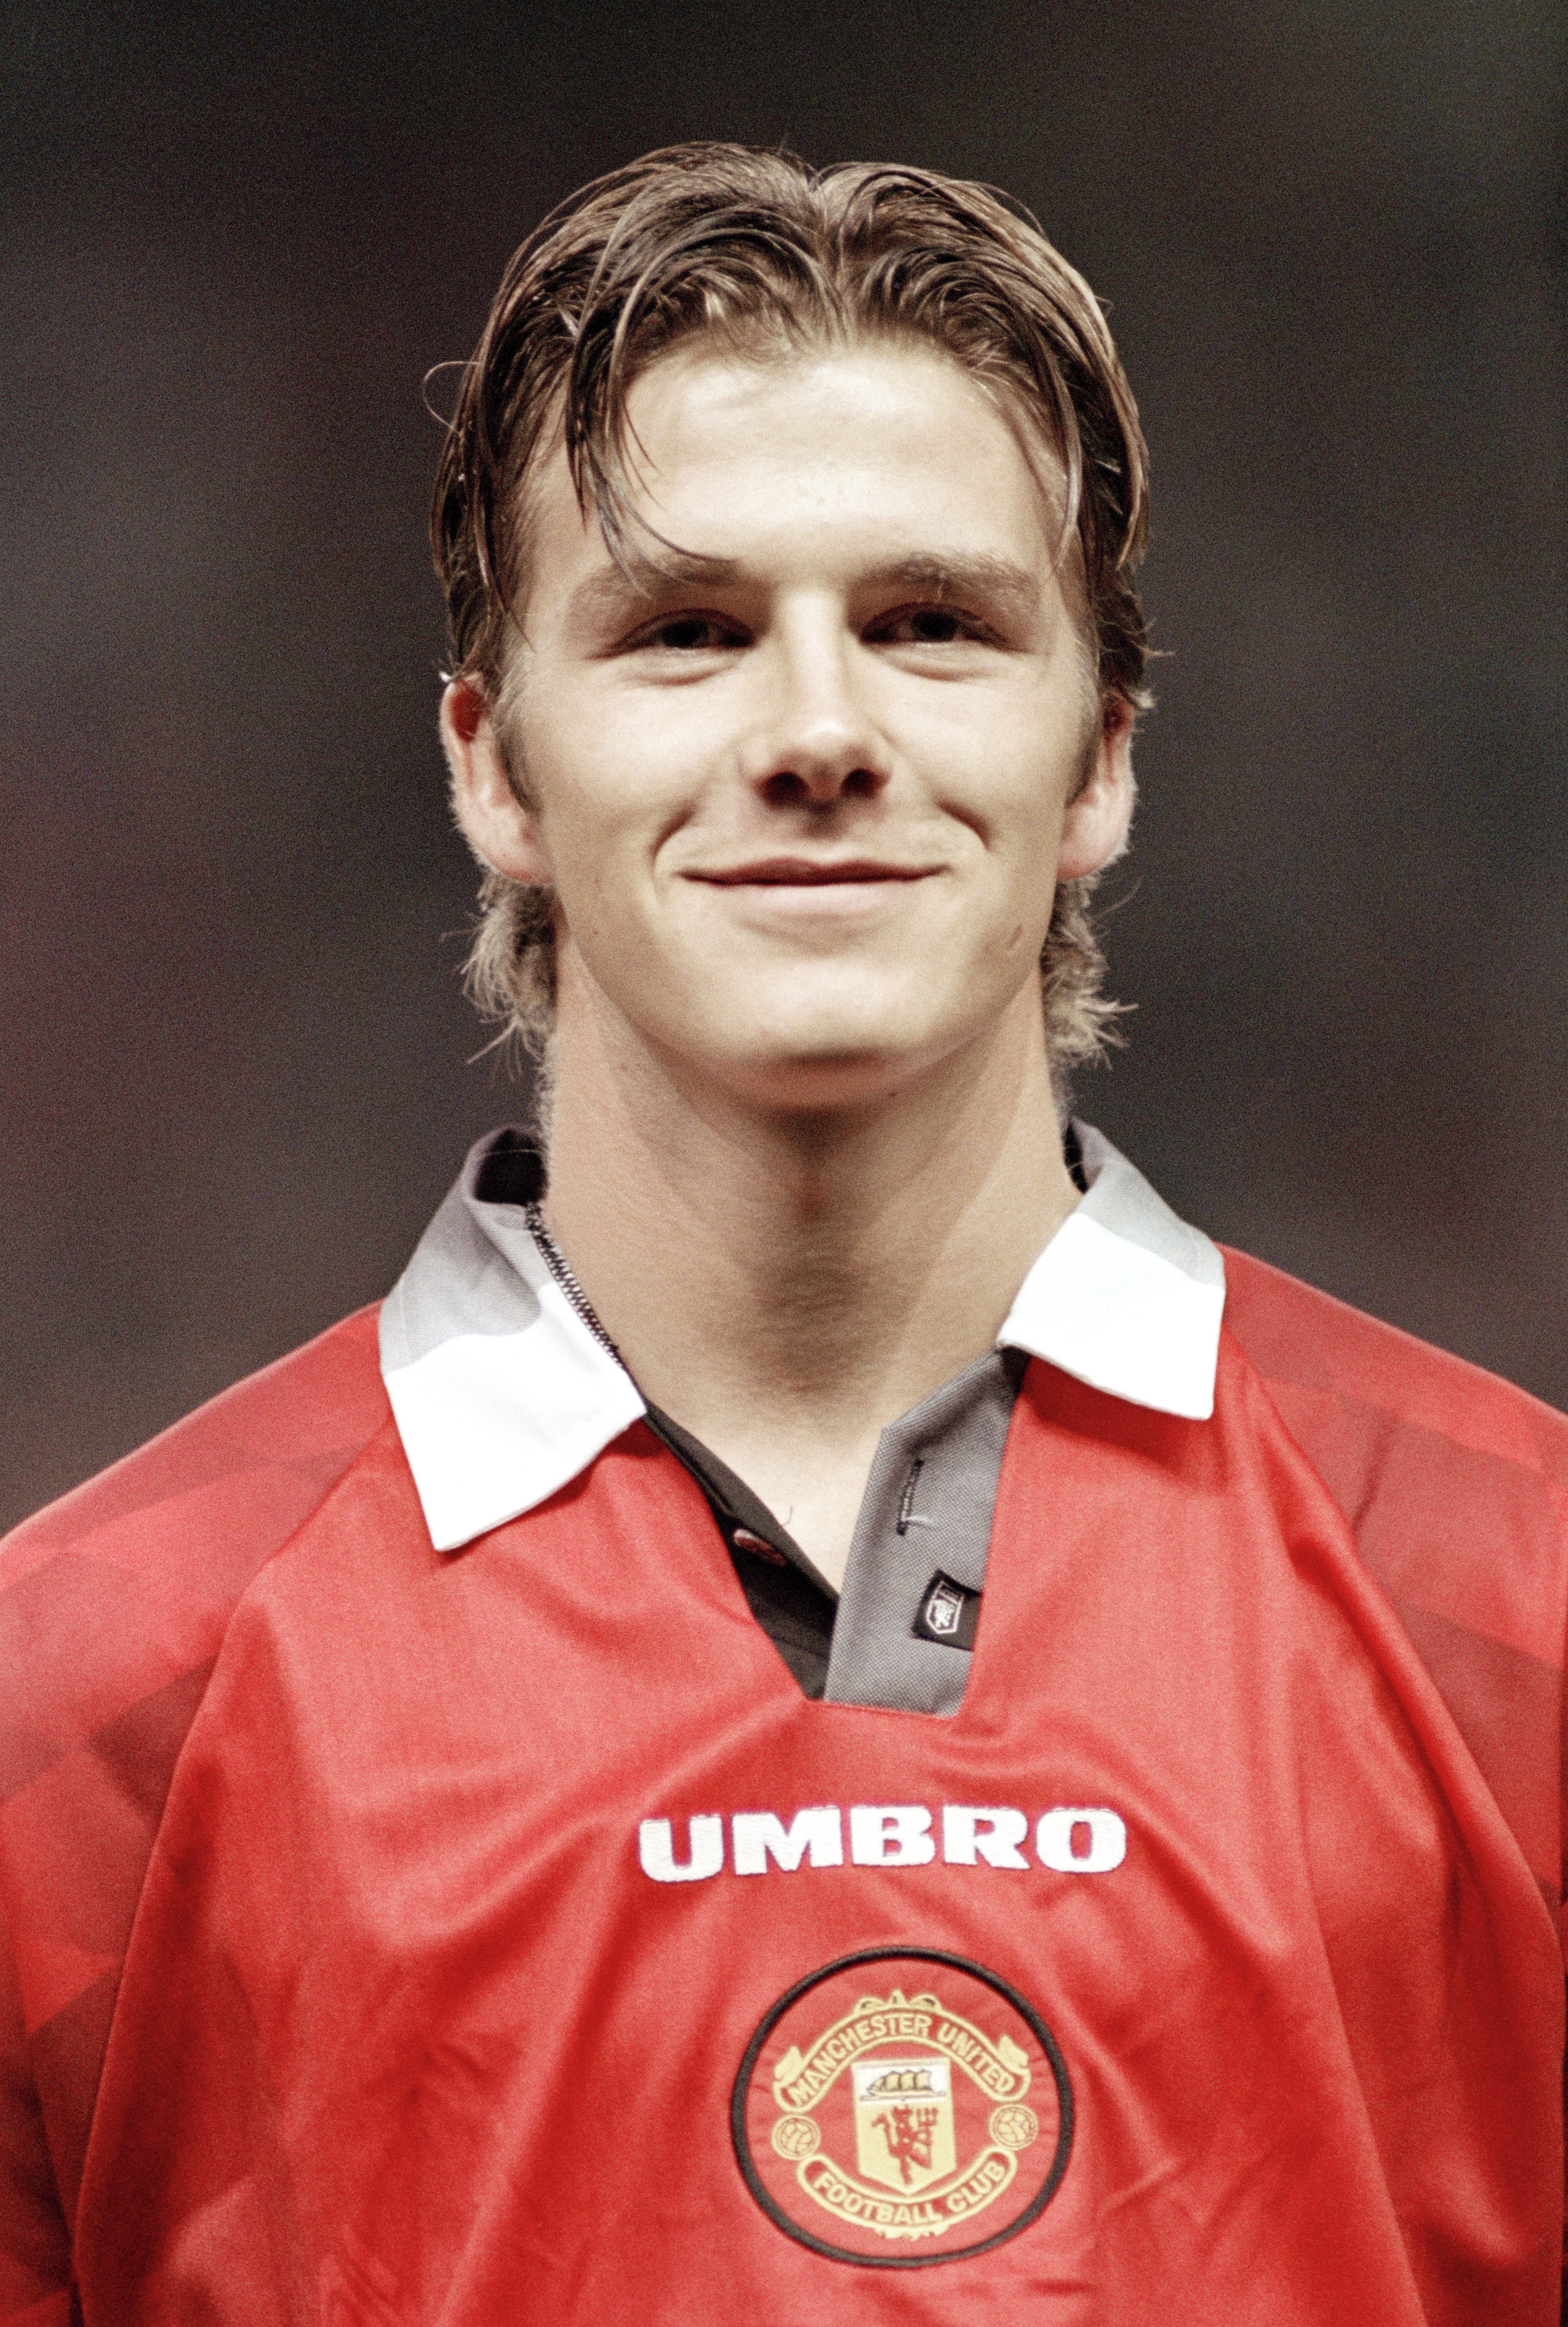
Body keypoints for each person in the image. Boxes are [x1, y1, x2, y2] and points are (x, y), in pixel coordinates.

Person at [2, 143, 1563, 2326]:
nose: (818, 733)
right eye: (687, 633)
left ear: (1101, 746)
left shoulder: (1525, 1609)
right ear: (494, 766)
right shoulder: (71, 1709)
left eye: (931, 627)